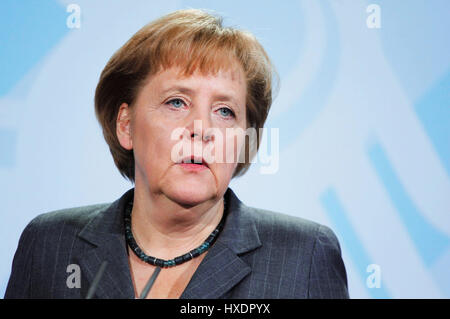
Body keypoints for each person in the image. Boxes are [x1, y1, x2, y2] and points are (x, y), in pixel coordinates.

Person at [5, 9, 349, 299]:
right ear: (126, 125)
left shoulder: (304, 257)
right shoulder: (50, 245)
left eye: (225, 111)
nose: (201, 128)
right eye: (176, 102)